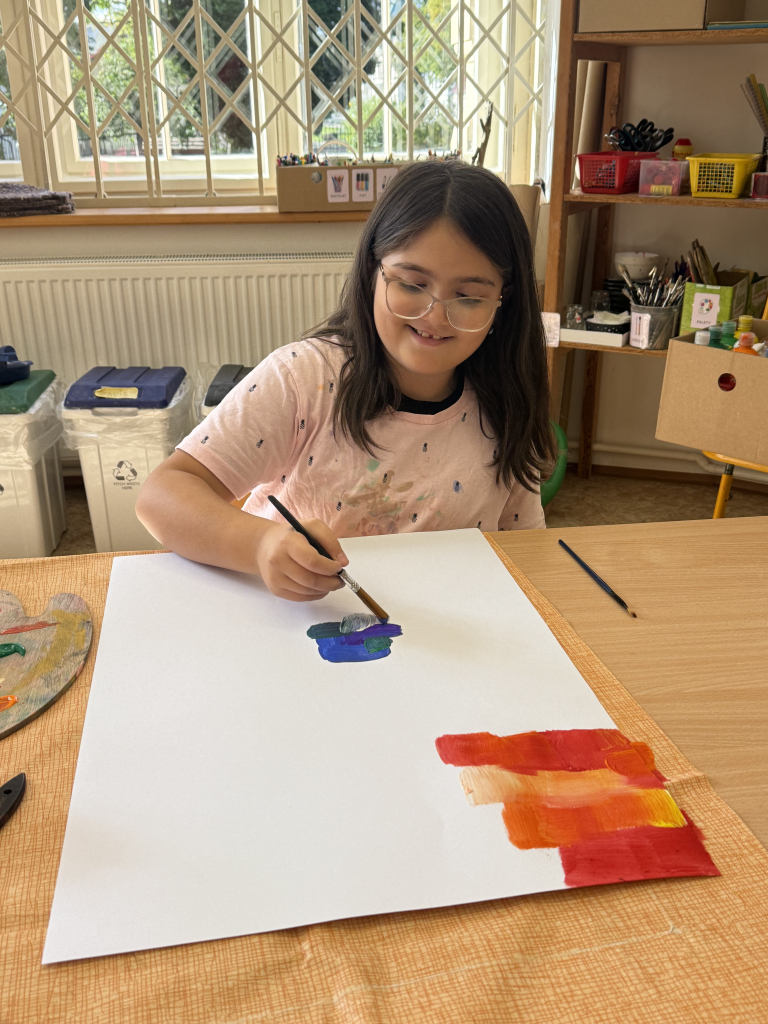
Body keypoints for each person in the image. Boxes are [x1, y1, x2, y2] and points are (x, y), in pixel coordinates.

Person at [136, 161, 554, 604]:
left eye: (468, 296)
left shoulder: (508, 402)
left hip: (444, 629)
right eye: (412, 284)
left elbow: (527, 551)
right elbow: (161, 496)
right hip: (296, 624)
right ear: (373, 272)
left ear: (503, 302)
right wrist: (260, 545)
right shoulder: (304, 379)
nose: (434, 316)